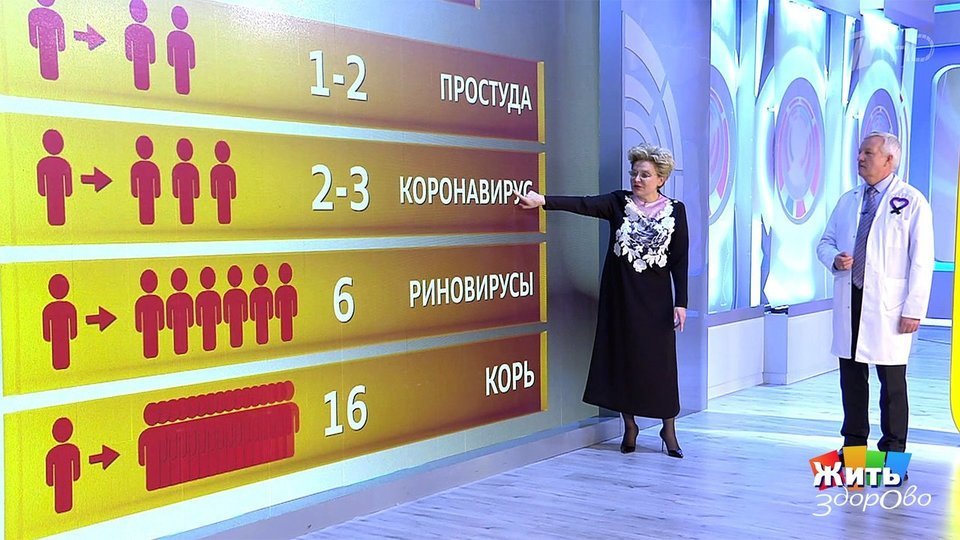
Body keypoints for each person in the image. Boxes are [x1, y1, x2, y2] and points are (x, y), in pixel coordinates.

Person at [518, 143, 688, 458]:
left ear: (661, 179)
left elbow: (679, 259)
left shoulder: (676, 210)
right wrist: (543, 200)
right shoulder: (618, 203)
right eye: (634, 173)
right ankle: (630, 426)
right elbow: (584, 204)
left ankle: (668, 429)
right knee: (623, 359)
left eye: (645, 174)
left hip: (656, 302)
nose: (637, 179)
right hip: (620, 299)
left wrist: (681, 303)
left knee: (660, 365)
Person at [816, 132, 934, 458]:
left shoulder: (912, 201)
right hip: (851, 298)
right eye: (860, 152)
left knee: (892, 385)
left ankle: (893, 456)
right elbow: (824, 242)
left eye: (868, 153)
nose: (860, 158)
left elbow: (922, 260)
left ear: (889, 160)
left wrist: (914, 309)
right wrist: (834, 258)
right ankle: (854, 448)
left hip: (889, 306)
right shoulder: (848, 200)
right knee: (852, 380)